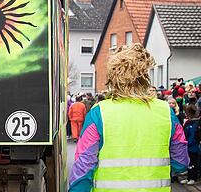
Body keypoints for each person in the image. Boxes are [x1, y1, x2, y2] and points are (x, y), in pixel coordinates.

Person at [69, 44, 189, 192]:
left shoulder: (99, 112)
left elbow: (83, 166)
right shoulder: (166, 112)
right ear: (145, 75)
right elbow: (181, 162)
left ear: (113, 76)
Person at [181, 105, 200, 185]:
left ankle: (193, 178)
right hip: (187, 147)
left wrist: (187, 143)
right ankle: (188, 177)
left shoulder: (195, 123)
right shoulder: (188, 122)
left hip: (193, 148)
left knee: (193, 163)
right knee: (188, 163)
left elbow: (193, 136)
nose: (185, 114)